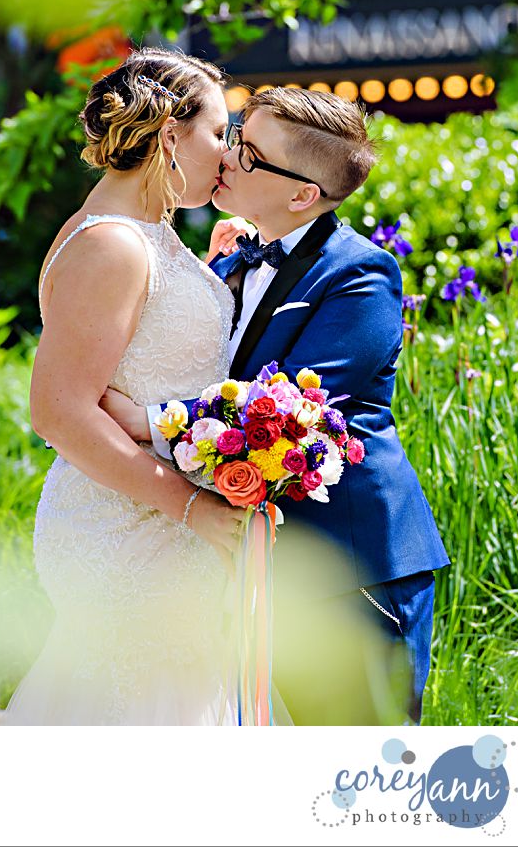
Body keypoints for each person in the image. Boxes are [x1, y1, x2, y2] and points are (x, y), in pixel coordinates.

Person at [101, 85, 450, 724]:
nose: (228, 158)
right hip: (255, 565)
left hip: (352, 570)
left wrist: (147, 420)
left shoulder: (359, 276)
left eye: (252, 154)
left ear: (301, 195)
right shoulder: (233, 260)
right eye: (235, 138)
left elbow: (288, 406)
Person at [3, 47, 269, 725]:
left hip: (159, 524)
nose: (229, 153)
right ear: (170, 135)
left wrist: (210, 273)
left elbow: (149, 346)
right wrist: (190, 507)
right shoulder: (113, 245)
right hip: (126, 526)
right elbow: (58, 411)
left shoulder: (147, 234)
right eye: (219, 133)